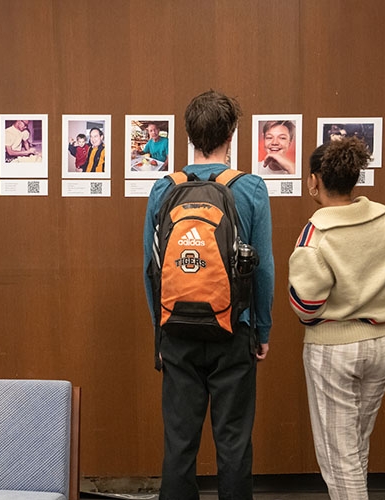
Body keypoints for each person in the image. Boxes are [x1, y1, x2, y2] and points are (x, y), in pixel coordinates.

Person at [143, 90, 274, 500]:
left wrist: (159, 331)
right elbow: (264, 267)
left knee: (179, 444)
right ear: (231, 135)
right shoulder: (250, 188)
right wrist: (262, 329)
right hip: (233, 330)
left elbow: (152, 270)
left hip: (177, 331)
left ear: (188, 134)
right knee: (233, 444)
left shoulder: (164, 189)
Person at [289, 137, 385, 500]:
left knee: (338, 457)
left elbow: (306, 304)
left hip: (333, 350)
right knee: (356, 445)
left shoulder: (318, 232)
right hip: (381, 345)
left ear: (314, 181)